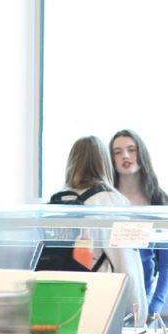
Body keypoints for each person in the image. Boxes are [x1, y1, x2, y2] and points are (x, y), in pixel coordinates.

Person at [56, 136, 148, 322]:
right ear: (104, 162)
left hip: (61, 299)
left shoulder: (56, 201)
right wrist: (138, 315)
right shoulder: (113, 203)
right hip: (99, 300)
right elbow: (126, 264)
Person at [109, 129, 168, 321]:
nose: (126, 156)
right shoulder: (106, 200)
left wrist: (156, 304)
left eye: (131, 149)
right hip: (110, 292)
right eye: (118, 152)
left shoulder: (160, 201)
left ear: (141, 153)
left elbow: (167, 263)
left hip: (143, 297)